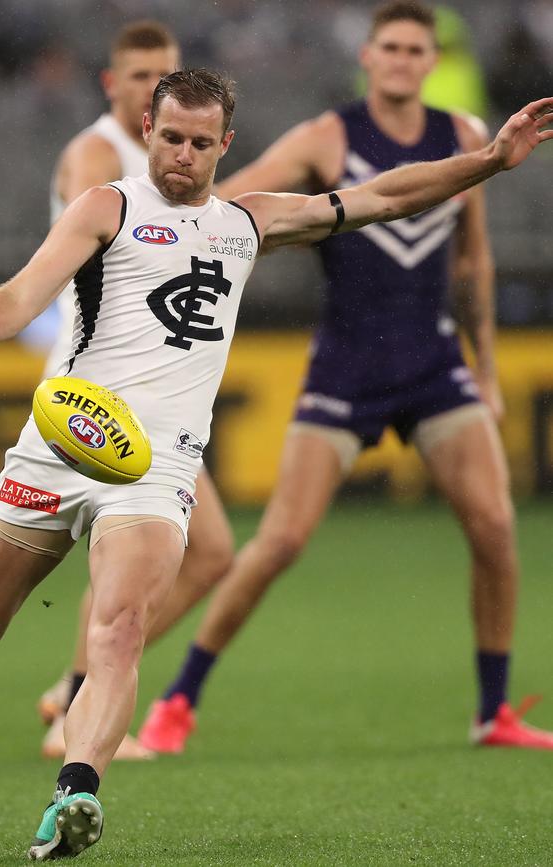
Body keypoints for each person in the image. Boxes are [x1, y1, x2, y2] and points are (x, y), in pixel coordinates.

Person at [0, 67, 551, 860]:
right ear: (147, 128)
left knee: (120, 628)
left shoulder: (247, 221)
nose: (183, 155)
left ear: (226, 146)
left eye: (200, 144)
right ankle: (68, 757)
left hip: (154, 469)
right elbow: (20, 296)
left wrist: (486, 161)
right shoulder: (106, 207)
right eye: (171, 137)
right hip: (61, 442)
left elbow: (385, 196)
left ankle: (76, 792)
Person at [138, 1, 553, 756]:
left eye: (414, 49)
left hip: (432, 362)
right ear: (367, 55)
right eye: (388, 46)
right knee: (280, 541)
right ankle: (177, 700)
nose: (400, 59)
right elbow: (232, 211)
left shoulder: (462, 137)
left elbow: (473, 260)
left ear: (431, 61)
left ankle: (494, 710)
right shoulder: (327, 136)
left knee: (496, 527)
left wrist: (485, 368)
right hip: (347, 365)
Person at [37, 19, 235, 764]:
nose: (148, 83)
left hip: (153, 394)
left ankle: (77, 688)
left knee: (212, 551)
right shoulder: (98, 157)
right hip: (93, 393)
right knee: (134, 563)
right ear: (113, 84)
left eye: (164, 72)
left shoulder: (178, 156)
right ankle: (80, 703)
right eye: (137, 74)